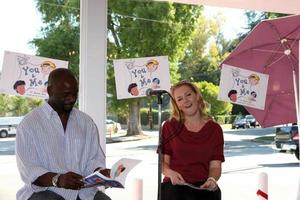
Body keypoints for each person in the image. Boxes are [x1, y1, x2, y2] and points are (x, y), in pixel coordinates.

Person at [15, 68, 111, 200]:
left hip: (84, 193)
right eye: (66, 94)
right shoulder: (29, 124)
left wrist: (100, 173)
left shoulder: (86, 122)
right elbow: (29, 170)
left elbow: (94, 159)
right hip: (45, 191)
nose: (71, 99)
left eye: (75, 93)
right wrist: (58, 179)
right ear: (50, 91)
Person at [159, 80, 225, 200]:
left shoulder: (215, 129)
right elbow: (163, 163)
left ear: (197, 96)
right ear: (176, 105)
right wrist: (170, 173)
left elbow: (215, 166)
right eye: (179, 99)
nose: (185, 100)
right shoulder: (170, 126)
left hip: (204, 187)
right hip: (175, 187)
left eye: (188, 95)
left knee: (215, 193)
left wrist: (212, 179)